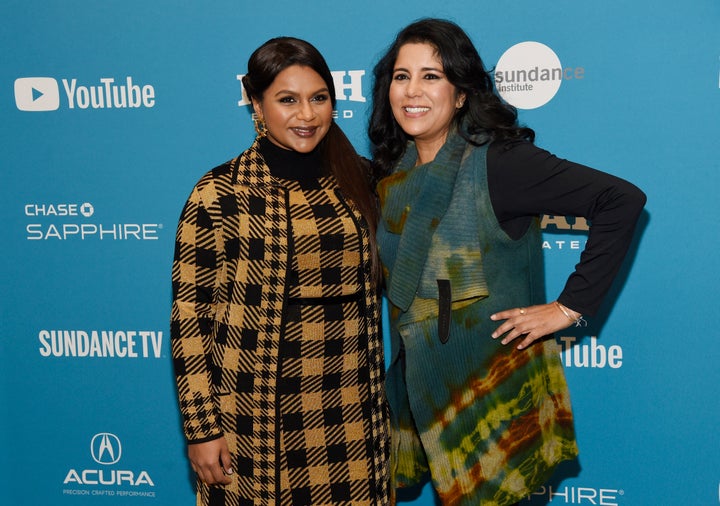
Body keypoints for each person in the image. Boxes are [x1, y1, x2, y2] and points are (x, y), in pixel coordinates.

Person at [368, 18, 646, 506]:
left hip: (495, 405)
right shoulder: (394, 175)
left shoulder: (498, 163)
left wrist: (568, 306)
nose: (413, 90)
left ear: (460, 94)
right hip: (425, 398)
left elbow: (620, 200)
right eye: (401, 75)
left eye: (431, 76)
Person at [170, 37, 389, 506]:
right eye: (287, 100)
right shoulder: (219, 193)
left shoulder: (362, 180)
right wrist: (202, 428)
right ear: (256, 101)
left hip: (353, 407)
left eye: (318, 98)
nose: (306, 115)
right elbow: (190, 320)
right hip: (258, 413)